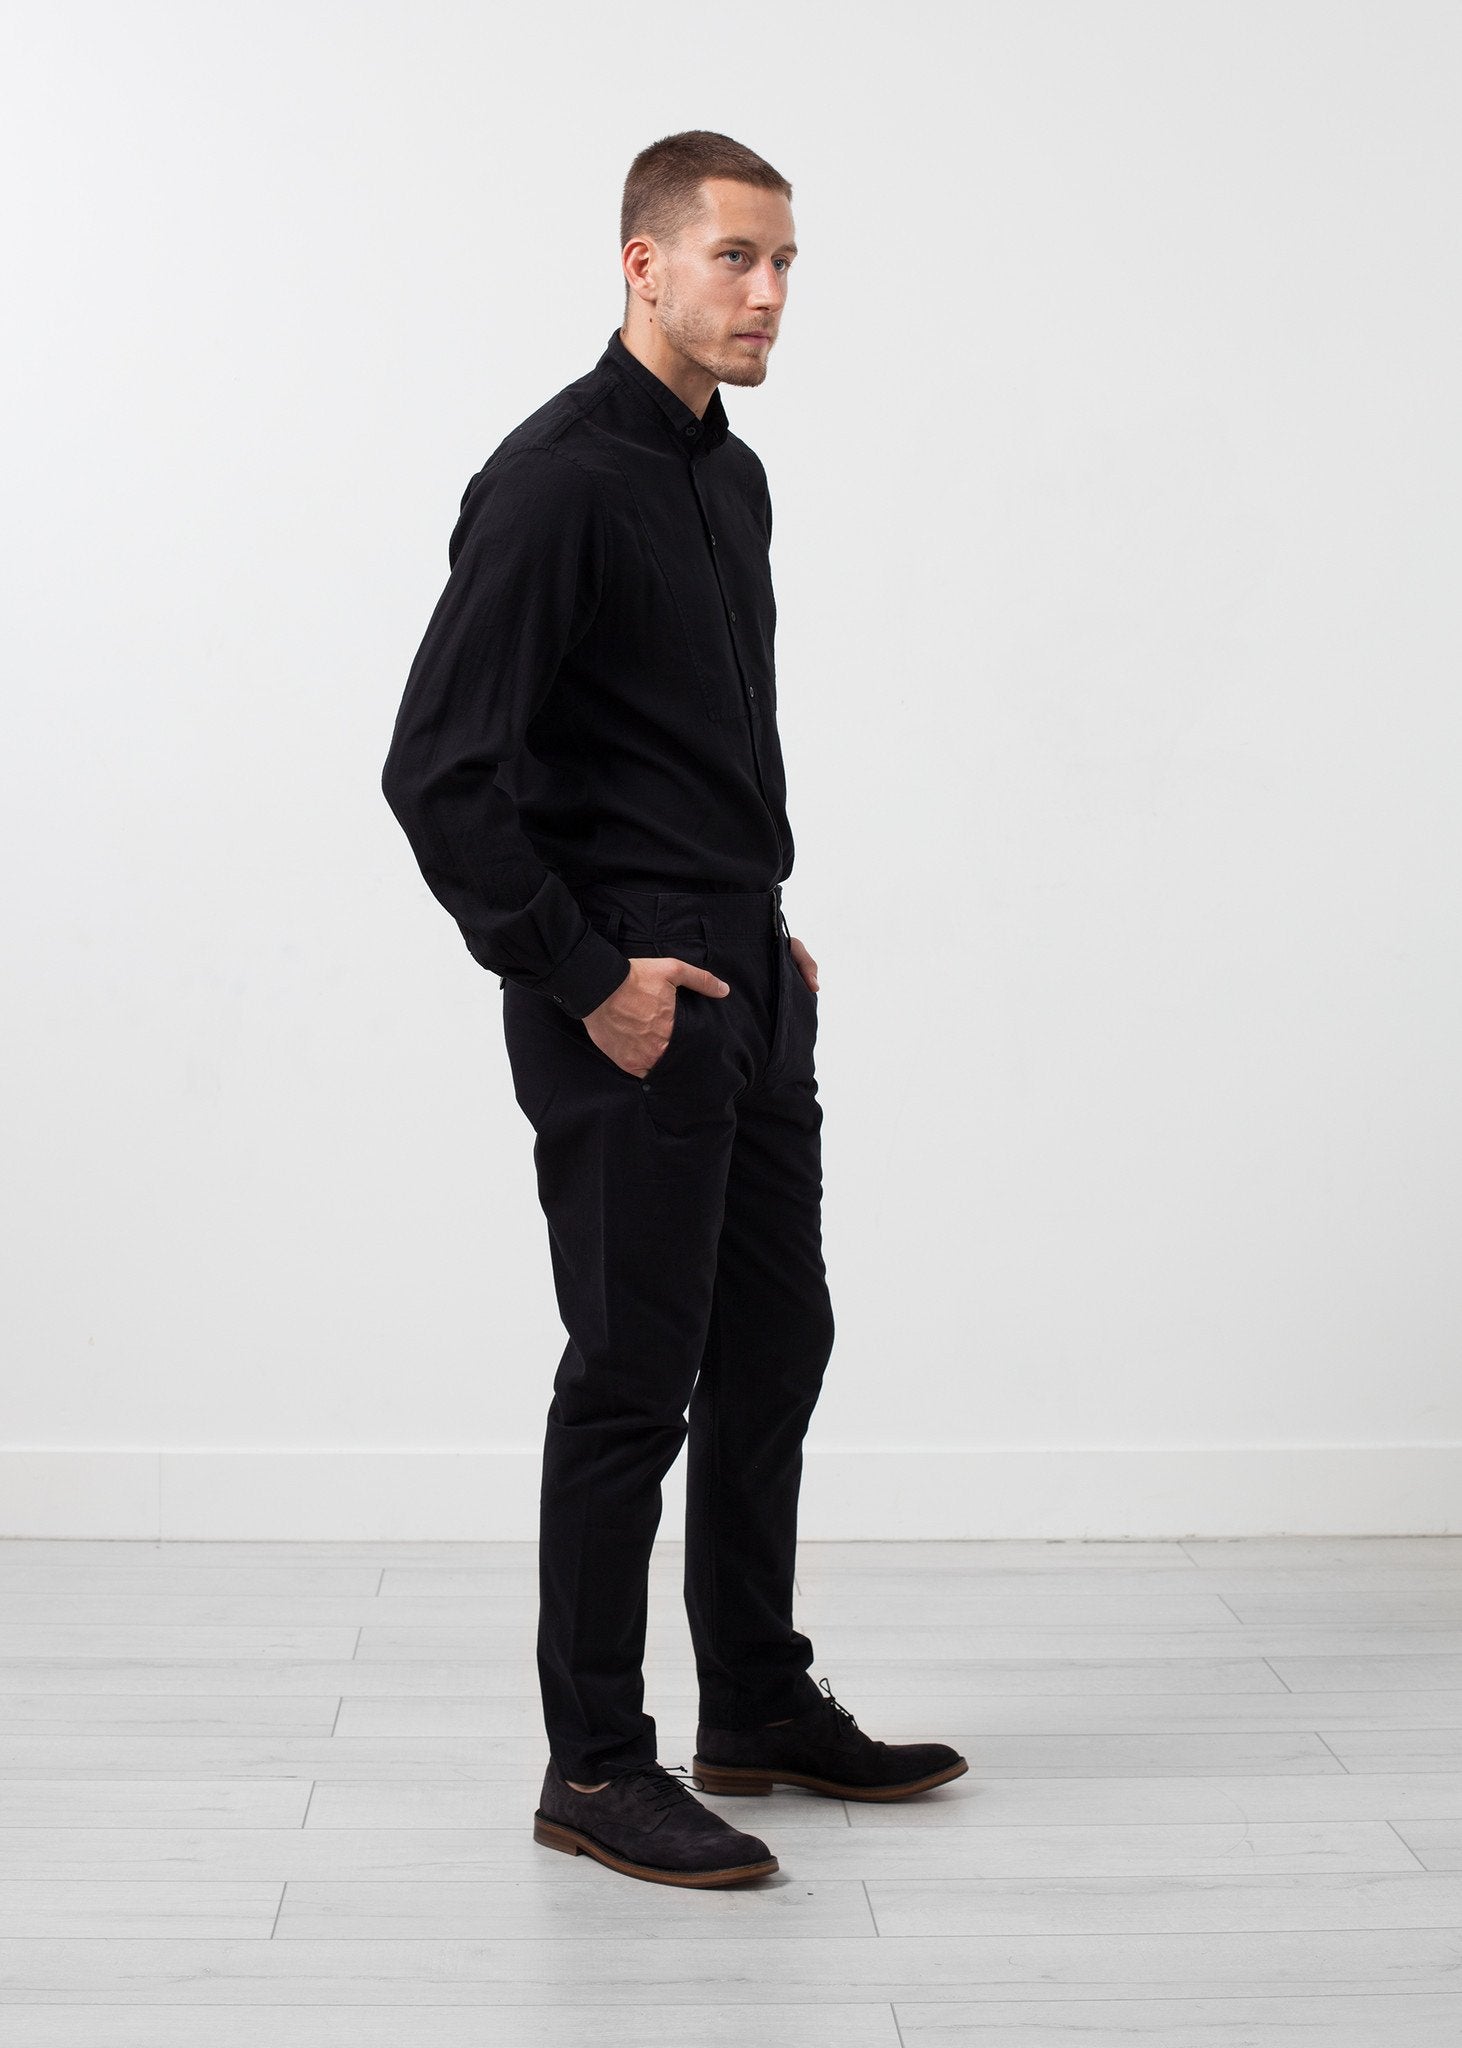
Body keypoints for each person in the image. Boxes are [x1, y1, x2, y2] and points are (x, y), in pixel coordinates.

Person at [381, 128, 966, 1889]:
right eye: (734, 258)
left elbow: (676, 741)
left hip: (743, 970)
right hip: (625, 992)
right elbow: (438, 771)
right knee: (632, 1378)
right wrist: (585, 974)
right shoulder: (553, 482)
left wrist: (758, 918)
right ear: (641, 263)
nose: (768, 294)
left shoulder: (732, 476)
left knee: (777, 1345)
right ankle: (592, 1766)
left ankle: (757, 1704)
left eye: (785, 264)